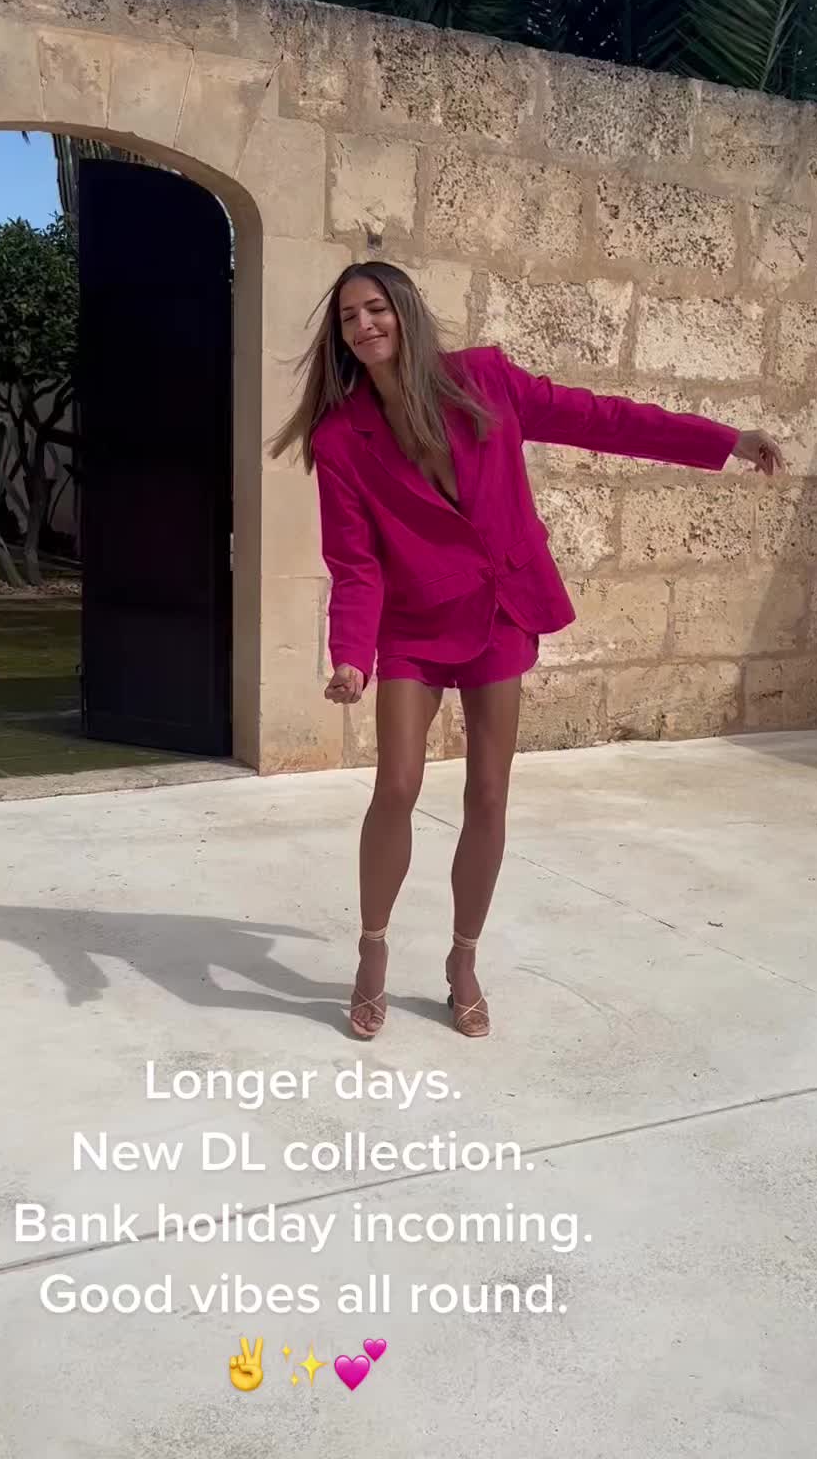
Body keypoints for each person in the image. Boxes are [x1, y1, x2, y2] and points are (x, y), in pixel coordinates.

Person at [271, 262, 784, 1041]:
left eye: (376, 308)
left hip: (500, 611)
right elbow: (355, 560)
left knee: (488, 793)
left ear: (404, 312)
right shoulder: (342, 437)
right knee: (397, 786)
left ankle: (463, 961)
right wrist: (351, 653)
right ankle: (372, 951)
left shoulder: (483, 380)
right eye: (348, 318)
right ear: (340, 337)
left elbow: (603, 420)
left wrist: (725, 442)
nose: (364, 325)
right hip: (413, 622)